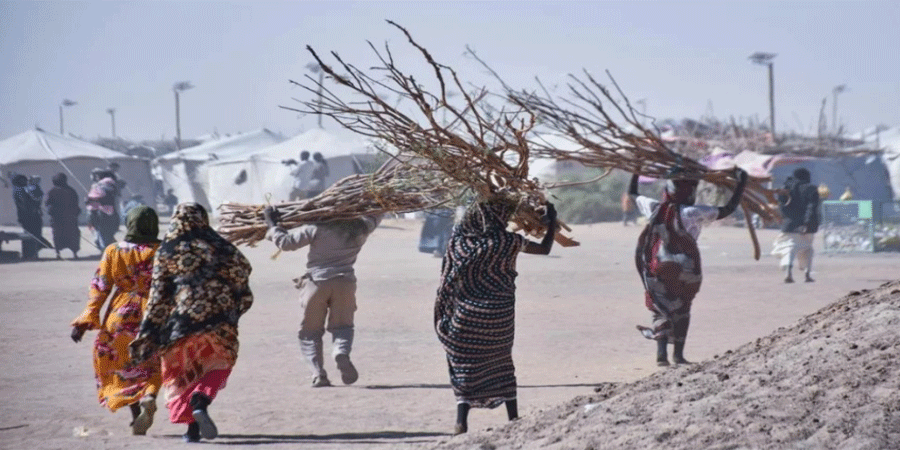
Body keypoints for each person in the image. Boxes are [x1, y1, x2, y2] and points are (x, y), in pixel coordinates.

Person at [130, 203, 253, 443]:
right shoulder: (222, 246)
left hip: (180, 324)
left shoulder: (168, 250)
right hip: (218, 321)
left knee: (179, 374)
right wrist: (234, 305)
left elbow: (158, 296)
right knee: (220, 362)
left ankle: (192, 430)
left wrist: (149, 330)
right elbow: (243, 272)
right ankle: (201, 400)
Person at [434, 198, 557, 435]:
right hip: (497, 318)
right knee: (501, 363)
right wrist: (550, 221)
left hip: (464, 318)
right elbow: (544, 249)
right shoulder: (508, 241)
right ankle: (513, 417)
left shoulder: (457, 242)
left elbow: (446, 279)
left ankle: (461, 421)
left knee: (464, 366)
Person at [630, 167, 747, 366]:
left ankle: (661, 355)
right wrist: (740, 184)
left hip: (658, 266)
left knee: (660, 308)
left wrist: (636, 172)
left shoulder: (655, 207)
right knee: (682, 308)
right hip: (687, 269)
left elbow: (633, 194)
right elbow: (727, 209)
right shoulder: (694, 212)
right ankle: (678, 355)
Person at [263, 206, 380, 388]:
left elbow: (286, 243)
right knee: (343, 327)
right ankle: (340, 352)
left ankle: (318, 374)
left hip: (317, 283)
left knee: (310, 332)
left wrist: (272, 224)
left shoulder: (316, 227)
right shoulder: (361, 228)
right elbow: (376, 214)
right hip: (345, 284)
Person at [70, 206, 163, 435]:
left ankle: (135, 416)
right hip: (157, 314)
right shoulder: (164, 251)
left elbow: (100, 287)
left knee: (121, 365)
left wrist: (84, 321)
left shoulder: (113, 250)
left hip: (121, 315)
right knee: (154, 364)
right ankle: (149, 396)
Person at [771, 168, 820, 283]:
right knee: (807, 249)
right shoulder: (811, 189)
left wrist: (786, 218)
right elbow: (811, 208)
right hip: (807, 226)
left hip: (789, 225)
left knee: (789, 248)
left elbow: (782, 207)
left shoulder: (786, 189)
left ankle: (788, 273)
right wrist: (806, 223)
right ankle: (807, 274)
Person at [11, 174, 50, 260]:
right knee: (30, 235)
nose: (25, 182)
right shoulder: (19, 190)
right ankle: (29, 254)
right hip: (28, 216)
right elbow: (24, 204)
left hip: (31, 215)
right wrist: (33, 208)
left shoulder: (25, 189)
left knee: (33, 234)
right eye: (22, 180)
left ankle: (33, 253)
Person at [45, 173, 81, 259]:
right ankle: (74, 253)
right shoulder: (71, 190)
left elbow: (47, 203)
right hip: (69, 217)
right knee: (72, 234)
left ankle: (58, 253)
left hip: (58, 218)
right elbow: (76, 203)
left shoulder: (52, 191)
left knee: (58, 235)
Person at [86, 168, 121, 250]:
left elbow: (92, 200)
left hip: (100, 212)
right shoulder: (114, 186)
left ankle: (107, 251)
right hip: (112, 212)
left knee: (101, 233)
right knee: (108, 233)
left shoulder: (98, 186)